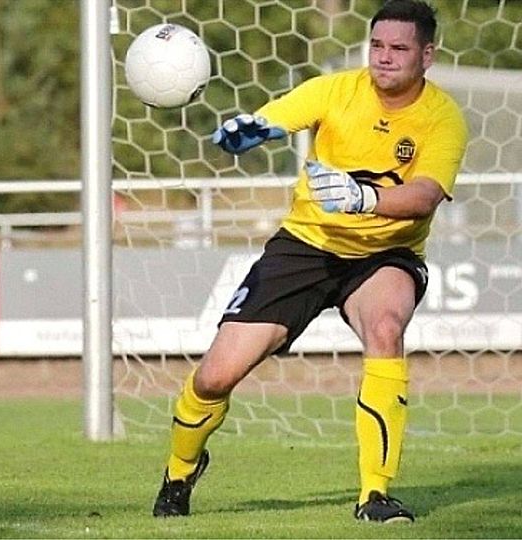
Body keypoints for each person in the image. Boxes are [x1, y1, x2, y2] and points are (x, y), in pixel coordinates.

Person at [152, 0, 467, 523]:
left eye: (399, 48)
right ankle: (180, 472)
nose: (384, 58)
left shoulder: (442, 118)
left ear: (427, 55)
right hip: (306, 245)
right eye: (377, 46)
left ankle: (375, 494)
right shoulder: (335, 89)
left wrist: (361, 197)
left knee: (386, 329)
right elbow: (278, 117)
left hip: (385, 254)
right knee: (214, 378)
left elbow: (425, 196)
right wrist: (253, 130)